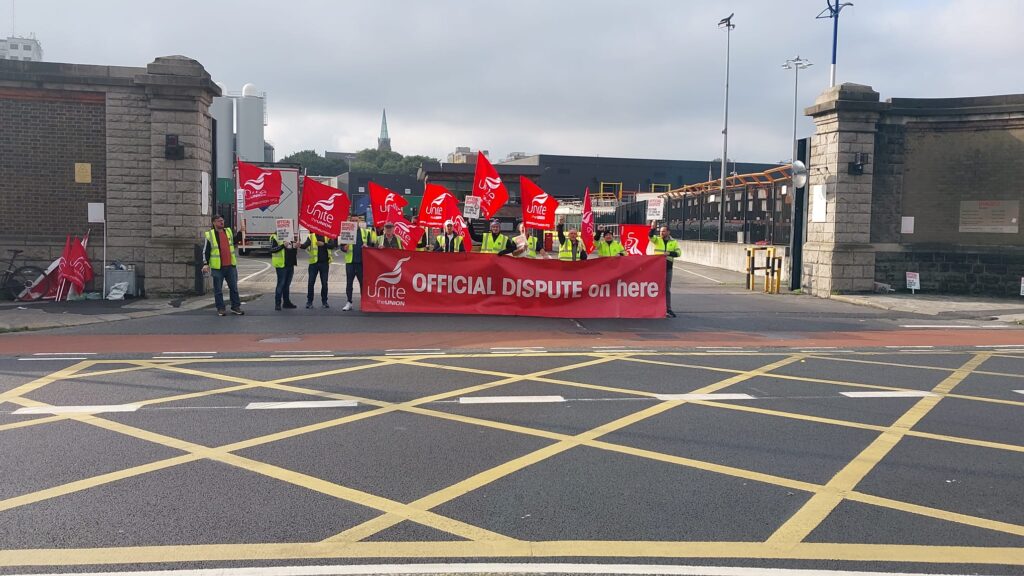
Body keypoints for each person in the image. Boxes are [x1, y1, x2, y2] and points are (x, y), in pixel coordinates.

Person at [201, 214, 244, 316]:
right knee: (218, 290)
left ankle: (235, 307)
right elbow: (206, 251)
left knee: (234, 288)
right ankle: (220, 308)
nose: (222, 222)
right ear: (214, 222)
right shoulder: (210, 235)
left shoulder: (228, 231)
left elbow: (234, 241)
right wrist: (205, 263)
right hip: (218, 268)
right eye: (219, 221)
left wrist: (241, 232)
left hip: (230, 265)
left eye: (222, 220)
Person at [338, 216, 376, 312]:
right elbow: (341, 246)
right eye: (352, 220)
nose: (354, 222)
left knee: (362, 283)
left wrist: (367, 246)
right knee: (349, 283)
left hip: (361, 262)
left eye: (356, 220)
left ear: (359, 221)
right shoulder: (346, 231)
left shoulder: (365, 232)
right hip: (350, 262)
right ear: (350, 221)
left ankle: (363, 302)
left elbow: (372, 246)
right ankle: (349, 302)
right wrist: (344, 248)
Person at [649, 222, 681, 318]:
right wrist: (652, 228)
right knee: (655, 288)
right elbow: (650, 236)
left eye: (663, 231)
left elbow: (678, 253)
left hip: (668, 268)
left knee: (667, 289)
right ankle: (654, 307)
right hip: (657, 268)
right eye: (660, 231)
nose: (661, 233)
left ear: (668, 232)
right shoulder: (657, 240)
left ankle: (668, 308)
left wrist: (669, 253)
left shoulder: (674, 242)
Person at [301, 232, 337, 309]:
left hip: (324, 263)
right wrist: (299, 245)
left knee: (324, 283)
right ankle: (309, 301)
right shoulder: (311, 236)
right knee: (311, 283)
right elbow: (304, 246)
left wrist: (323, 244)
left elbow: (332, 246)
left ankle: (324, 301)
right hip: (313, 263)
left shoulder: (327, 236)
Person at [269, 231, 298, 310]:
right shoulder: (275, 237)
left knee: (287, 285)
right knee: (281, 284)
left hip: (290, 263)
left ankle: (286, 302)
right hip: (281, 265)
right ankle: (277, 304)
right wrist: (282, 245)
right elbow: (271, 249)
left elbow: (293, 250)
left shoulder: (290, 236)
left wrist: (295, 246)